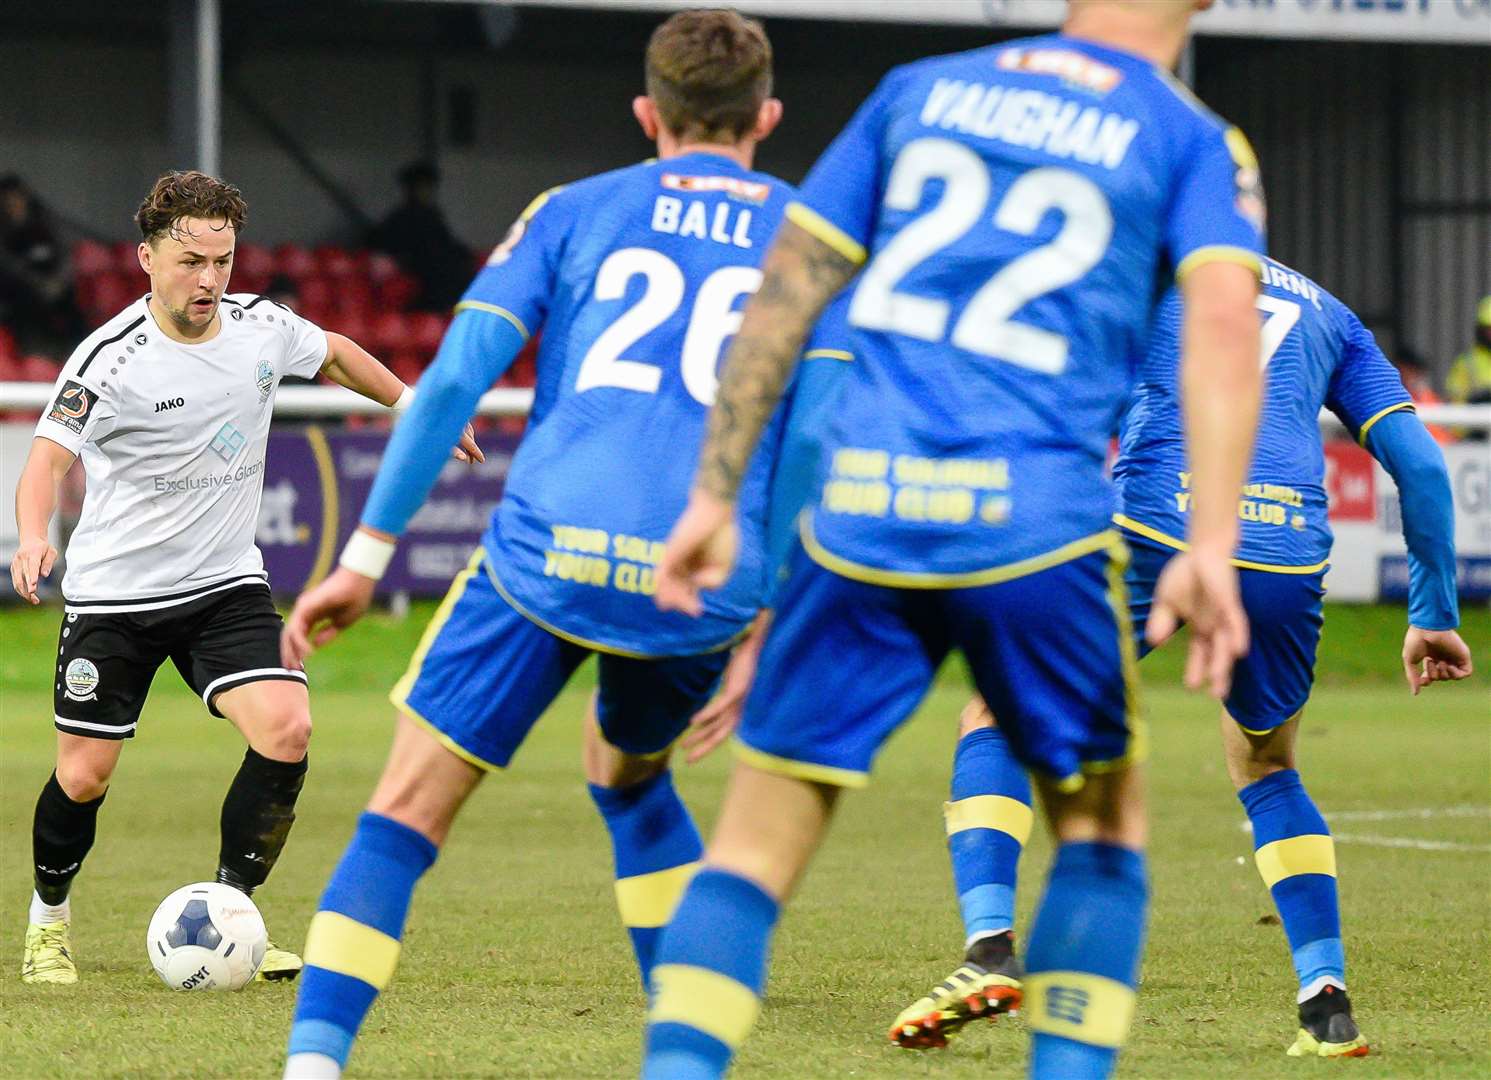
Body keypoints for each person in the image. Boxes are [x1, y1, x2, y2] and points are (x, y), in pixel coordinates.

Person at [643, 0, 1271, 1076]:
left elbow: (785, 293)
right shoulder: (1192, 137)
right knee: (1101, 838)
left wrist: (712, 496)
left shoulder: (918, 89)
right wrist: (1211, 539)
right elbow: (1220, 327)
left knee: (749, 851)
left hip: (865, 516)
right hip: (1036, 530)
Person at [275, 13, 847, 1080]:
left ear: (647, 114)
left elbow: (452, 379)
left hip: (549, 559)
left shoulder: (577, 211)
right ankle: (683, 1062)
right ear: (767, 117)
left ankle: (313, 1067)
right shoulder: (820, 241)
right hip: (704, 585)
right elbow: (814, 436)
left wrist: (364, 559)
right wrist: (767, 613)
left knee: (406, 810)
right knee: (627, 777)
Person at [891, 257, 1474, 1060]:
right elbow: (1416, 463)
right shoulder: (1332, 316)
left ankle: (989, 950)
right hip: (1282, 556)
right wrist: (1432, 611)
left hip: (1157, 531)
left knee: (994, 712)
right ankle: (1325, 1002)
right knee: (1267, 767)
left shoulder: (1144, 274)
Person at [11, 170, 480, 987]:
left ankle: (232, 914)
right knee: (83, 776)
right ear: (148, 256)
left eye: (223, 260)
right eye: (191, 260)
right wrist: (30, 535)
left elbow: (334, 353)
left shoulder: (260, 327)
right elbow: (48, 457)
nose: (210, 279)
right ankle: (48, 922)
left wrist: (414, 404)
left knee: (286, 728)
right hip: (114, 596)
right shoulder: (110, 358)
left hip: (224, 584)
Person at [368, 161, 474, 312]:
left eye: (428, 187)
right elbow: (386, 245)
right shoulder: (400, 217)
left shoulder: (433, 215)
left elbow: (445, 243)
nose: (425, 191)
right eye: (421, 187)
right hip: (418, 269)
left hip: (439, 268)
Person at [0, 173, 87, 355]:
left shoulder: (45, 224)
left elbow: (65, 255)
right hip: (22, 293)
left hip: (55, 288)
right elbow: (10, 265)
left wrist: (57, 283)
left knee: (74, 313)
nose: (13, 204)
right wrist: (39, 284)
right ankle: (38, 355)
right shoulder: (5, 232)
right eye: (8, 200)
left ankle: (78, 355)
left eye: (16, 198)